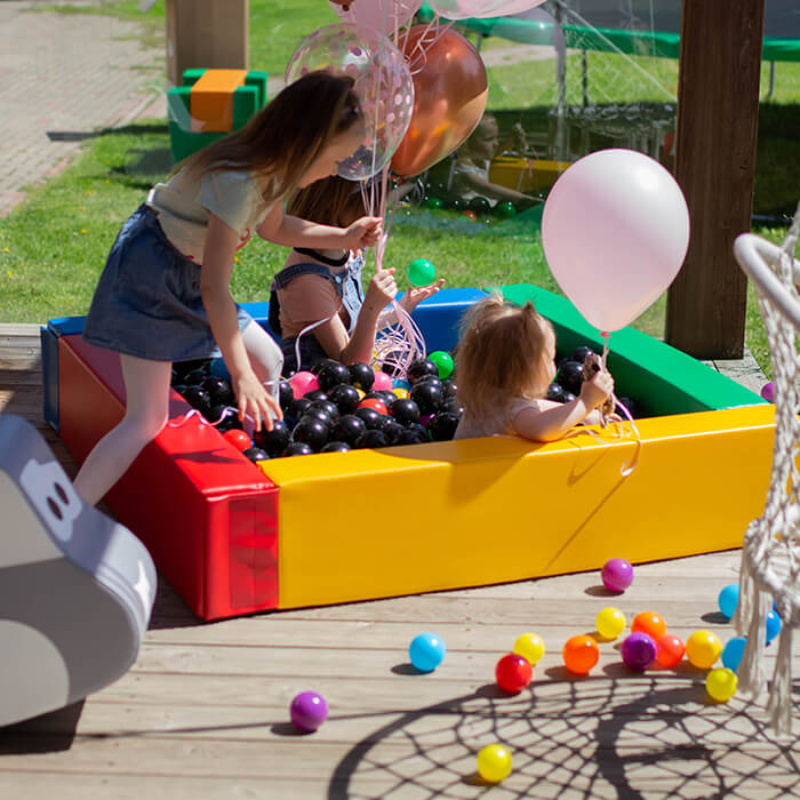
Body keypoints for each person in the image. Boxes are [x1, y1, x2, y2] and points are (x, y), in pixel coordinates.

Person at [74, 72, 382, 506]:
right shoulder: (242, 180)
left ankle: (263, 462)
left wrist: (344, 237)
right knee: (147, 418)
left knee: (270, 358)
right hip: (152, 270)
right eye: (336, 161)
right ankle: (68, 513)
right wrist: (240, 377)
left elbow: (273, 227)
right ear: (309, 144)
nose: (336, 171)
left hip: (189, 269)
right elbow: (216, 289)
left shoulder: (275, 168)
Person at [270, 174, 444, 373]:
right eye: (370, 209)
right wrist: (371, 306)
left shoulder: (349, 252)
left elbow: (356, 328)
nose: (379, 219)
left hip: (348, 370)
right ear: (334, 206)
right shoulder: (308, 282)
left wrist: (404, 306)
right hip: (314, 380)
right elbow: (351, 364)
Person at [453, 294, 615, 442]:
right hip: (479, 473)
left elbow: (538, 406)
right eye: (551, 359)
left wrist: (586, 416)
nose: (555, 365)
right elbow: (543, 429)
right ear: (526, 371)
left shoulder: (484, 393)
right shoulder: (517, 413)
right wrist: (586, 402)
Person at [451, 114, 541, 209]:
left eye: (496, 137)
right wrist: (526, 200)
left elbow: (494, 153)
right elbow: (486, 189)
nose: (496, 143)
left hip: (487, 205)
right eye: (489, 139)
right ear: (466, 143)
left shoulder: (481, 158)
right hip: (470, 210)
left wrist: (509, 143)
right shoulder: (461, 169)